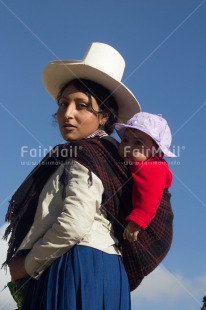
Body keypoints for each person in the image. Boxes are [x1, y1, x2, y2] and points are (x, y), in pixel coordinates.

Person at [3, 42, 141, 310]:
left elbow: (74, 224)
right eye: (63, 103)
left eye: (81, 105)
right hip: (106, 273)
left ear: (104, 117)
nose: (67, 113)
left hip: (75, 267)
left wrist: (27, 265)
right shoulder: (112, 156)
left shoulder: (84, 155)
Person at [114, 112, 175, 264]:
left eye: (138, 143)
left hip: (145, 221)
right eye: (125, 140)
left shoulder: (151, 168)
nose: (128, 147)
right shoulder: (139, 164)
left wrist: (137, 220)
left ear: (155, 151)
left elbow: (150, 195)